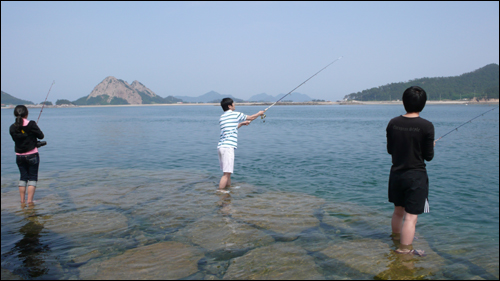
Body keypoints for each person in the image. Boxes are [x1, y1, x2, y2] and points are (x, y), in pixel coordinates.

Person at [386, 86, 435, 256]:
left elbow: (390, 150)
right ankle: (405, 250)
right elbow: (429, 157)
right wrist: (430, 144)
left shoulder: (393, 123)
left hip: (396, 174)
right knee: (411, 217)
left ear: (404, 102)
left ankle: (395, 239)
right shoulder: (427, 126)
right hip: (415, 177)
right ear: (423, 104)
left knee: (398, 212)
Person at [217, 98, 264, 193]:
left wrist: (241, 124)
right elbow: (250, 118)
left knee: (227, 172)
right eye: (233, 104)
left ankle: (228, 189)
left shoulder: (222, 117)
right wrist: (259, 113)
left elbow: (231, 129)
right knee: (226, 174)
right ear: (229, 106)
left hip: (221, 147)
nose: (235, 105)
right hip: (228, 147)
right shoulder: (235, 114)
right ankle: (220, 193)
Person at [9, 105, 45, 205]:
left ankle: (22, 201)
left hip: (19, 156)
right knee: (32, 178)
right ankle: (30, 201)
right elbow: (41, 136)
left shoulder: (12, 127)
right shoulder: (32, 124)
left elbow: (17, 138)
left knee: (23, 177)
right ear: (26, 113)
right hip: (32, 155)